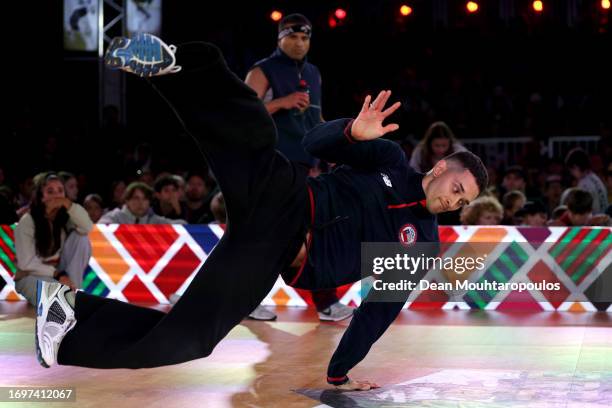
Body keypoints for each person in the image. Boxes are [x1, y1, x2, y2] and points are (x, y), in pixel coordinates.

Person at [34, 34, 486, 391]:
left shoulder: (423, 244)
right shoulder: (387, 157)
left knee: (191, 339)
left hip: (272, 252)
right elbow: (312, 145)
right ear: (442, 167)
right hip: (285, 198)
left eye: (463, 202)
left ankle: (66, 318)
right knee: (254, 134)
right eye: (458, 188)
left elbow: (378, 310)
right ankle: (182, 63)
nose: (455, 201)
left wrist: (338, 372)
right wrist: (350, 132)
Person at [245, 13, 352, 322]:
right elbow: (242, 114)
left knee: (308, 231)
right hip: (270, 164)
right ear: (280, 38)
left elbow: (315, 120)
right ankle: (324, 302)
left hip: (304, 166)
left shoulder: (315, 73)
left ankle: (325, 302)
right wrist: (282, 102)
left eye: (305, 37)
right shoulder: (262, 70)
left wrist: (334, 147)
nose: (299, 43)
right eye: (293, 36)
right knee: (282, 232)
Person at [14, 172, 93, 306]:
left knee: (81, 238)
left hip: (61, 275)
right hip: (31, 276)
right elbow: (26, 264)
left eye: (60, 191)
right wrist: (58, 274)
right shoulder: (27, 221)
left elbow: (87, 227)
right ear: (40, 196)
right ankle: (69, 296)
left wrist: (69, 205)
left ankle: (74, 289)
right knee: (63, 302)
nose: (56, 196)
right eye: (50, 191)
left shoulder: (65, 218)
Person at [99, 181, 186, 224]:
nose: (141, 203)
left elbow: (182, 224)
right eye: (136, 198)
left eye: (145, 199)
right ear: (127, 200)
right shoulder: (115, 216)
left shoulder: (153, 219)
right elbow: (100, 228)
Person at [562, 148, 608, 214]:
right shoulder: (595, 178)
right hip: (603, 220)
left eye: (571, 171)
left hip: (594, 221)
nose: (572, 174)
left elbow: (581, 210)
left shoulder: (584, 184)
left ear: (576, 167)